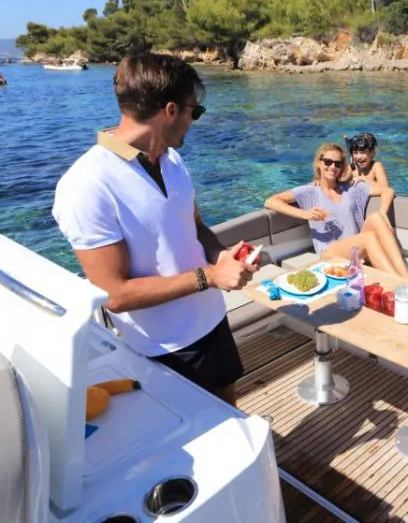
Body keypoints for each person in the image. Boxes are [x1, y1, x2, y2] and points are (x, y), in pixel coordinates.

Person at [52, 52, 257, 407]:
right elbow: (114, 293)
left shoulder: (173, 160)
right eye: (196, 111)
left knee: (230, 416)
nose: (195, 121)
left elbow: (194, 227)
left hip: (211, 322)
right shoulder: (86, 185)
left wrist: (221, 256)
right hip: (162, 350)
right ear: (171, 110)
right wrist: (211, 276)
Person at [265, 142, 408, 279]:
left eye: (338, 163)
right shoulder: (309, 191)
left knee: (376, 217)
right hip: (330, 254)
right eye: (328, 161)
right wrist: (305, 214)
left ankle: (407, 279)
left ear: (342, 167)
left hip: (357, 248)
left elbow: (387, 191)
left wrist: (383, 213)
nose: (332, 167)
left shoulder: (352, 188)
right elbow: (271, 201)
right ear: (318, 163)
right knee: (369, 238)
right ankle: (399, 283)